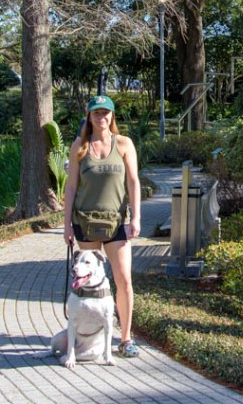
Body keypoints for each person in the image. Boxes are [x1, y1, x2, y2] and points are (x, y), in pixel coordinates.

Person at [64, 94, 142, 358]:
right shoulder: (80, 146)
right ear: (89, 116)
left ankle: (125, 338)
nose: (101, 117)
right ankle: (87, 338)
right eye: (96, 113)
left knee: (124, 280)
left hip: (116, 223)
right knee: (86, 283)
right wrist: (66, 226)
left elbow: (133, 182)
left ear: (112, 115)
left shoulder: (124, 144)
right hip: (85, 222)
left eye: (105, 112)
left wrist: (136, 218)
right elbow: (71, 186)